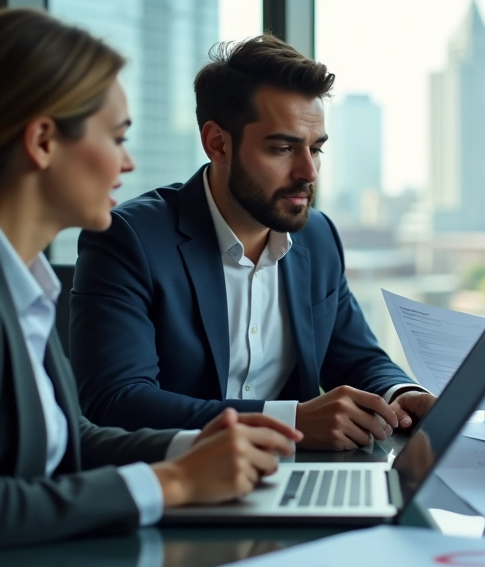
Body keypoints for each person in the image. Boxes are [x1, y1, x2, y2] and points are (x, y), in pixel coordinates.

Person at [0, 9, 301, 560]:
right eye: (117, 137)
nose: (128, 162)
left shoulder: (13, 275)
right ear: (44, 141)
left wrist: (199, 447)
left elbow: (69, 441)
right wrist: (177, 483)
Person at [71, 34, 434, 451]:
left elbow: (357, 358)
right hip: (178, 488)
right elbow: (115, 401)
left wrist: (401, 396)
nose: (309, 172)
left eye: (315, 150)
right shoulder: (128, 239)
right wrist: (289, 421)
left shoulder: (318, 237)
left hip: (294, 480)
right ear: (218, 143)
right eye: (283, 148)